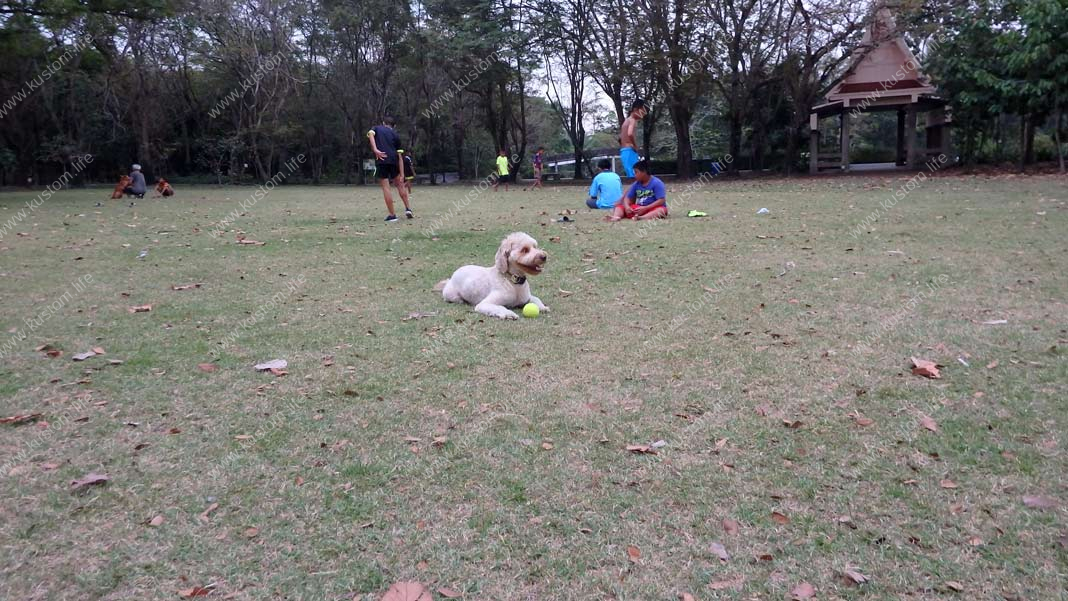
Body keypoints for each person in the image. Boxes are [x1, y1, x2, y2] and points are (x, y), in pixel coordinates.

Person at [367, 116, 413, 222]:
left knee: (386, 187)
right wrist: (402, 174)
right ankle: (408, 209)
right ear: (394, 126)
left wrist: (375, 149)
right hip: (394, 161)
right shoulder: (395, 135)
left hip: (382, 159)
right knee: (400, 185)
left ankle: (392, 215)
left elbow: (371, 134)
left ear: (384, 123)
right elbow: (400, 157)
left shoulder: (377, 128)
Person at [619, 99, 646, 178]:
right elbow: (630, 134)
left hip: (624, 151)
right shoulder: (632, 120)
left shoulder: (626, 121)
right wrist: (635, 145)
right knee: (635, 174)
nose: (643, 114)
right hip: (630, 150)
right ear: (635, 109)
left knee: (630, 174)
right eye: (642, 111)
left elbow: (620, 138)